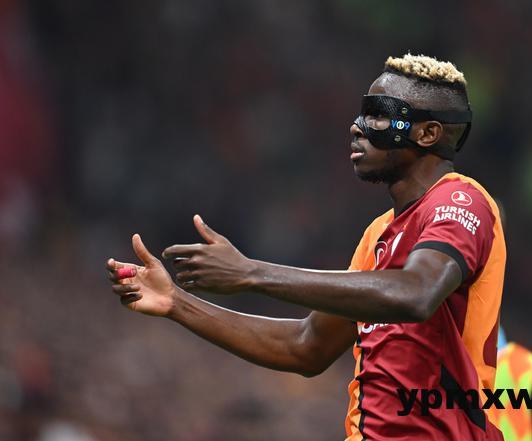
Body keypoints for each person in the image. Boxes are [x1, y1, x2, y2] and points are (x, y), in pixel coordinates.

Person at [106, 54, 506, 440]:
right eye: (361, 114)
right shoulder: (379, 234)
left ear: (428, 133)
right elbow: (307, 345)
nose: (357, 127)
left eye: (378, 114)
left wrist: (252, 273)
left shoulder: (461, 201)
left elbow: (416, 293)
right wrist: (177, 303)